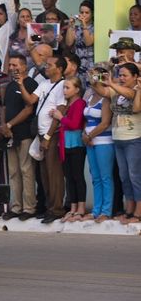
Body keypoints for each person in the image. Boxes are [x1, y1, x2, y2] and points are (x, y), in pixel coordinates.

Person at [20, 55, 67, 224]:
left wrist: (47, 136)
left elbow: (59, 112)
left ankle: (57, 209)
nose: (46, 67)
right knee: (44, 174)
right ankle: (49, 208)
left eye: (50, 65)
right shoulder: (45, 83)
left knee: (54, 173)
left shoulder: (62, 85)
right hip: (41, 135)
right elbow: (31, 100)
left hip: (51, 135)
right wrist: (20, 85)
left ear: (60, 69)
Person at [102, 63, 141, 224]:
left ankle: (139, 211)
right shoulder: (118, 92)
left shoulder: (136, 91)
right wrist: (96, 79)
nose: (122, 78)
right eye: (120, 75)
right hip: (118, 139)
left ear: (135, 77)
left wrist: (112, 83)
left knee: (135, 176)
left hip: (134, 139)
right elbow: (103, 91)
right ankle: (130, 208)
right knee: (124, 176)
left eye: (125, 75)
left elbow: (137, 108)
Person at [1, 54, 38, 220]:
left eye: (15, 65)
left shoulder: (30, 83)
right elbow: (4, 107)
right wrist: (3, 126)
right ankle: (15, 207)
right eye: (10, 65)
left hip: (24, 134)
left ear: (24, 66)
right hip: (9, 136)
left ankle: (29, 208)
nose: (12, 68)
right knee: (13, 173)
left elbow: (28, 108)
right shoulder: (9, 86)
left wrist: (10, 125)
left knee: (26, 171)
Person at [50, 76, 87, 222]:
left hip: (76, 144)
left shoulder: (80, 103)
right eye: (64, 87)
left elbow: (75, 124)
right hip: (65, 145)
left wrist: (60, 117)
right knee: (69, 178)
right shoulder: (67, 105)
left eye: (68, 87)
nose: (64, 90)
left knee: (78, 176)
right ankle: (73, 207)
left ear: (77, 90)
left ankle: (81, 207)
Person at [83, 67, 114, 222]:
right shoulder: (90, 95)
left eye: (94, 74)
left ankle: (106, 210)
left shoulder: (106, 97)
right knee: (95, 177)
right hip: (90, 141)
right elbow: (86, 119)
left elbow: (105, 123)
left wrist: (89, 135)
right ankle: (96, 210)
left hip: (103, 141)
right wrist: (84, 134)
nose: (91, 76)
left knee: (105, 177)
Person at [64, 0, 94, 78]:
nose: (84, 15)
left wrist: (84, 25)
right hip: (78, 62)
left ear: (92, 14)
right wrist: (71, 26)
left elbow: (88, 42)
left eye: (87, 13)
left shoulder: (94, 28)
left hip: (89, 63)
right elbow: (69, 43)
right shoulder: (77, 28)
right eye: (82, 12)